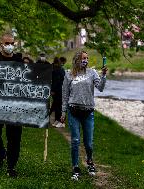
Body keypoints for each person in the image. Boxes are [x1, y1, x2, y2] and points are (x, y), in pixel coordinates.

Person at [60, 51, 107, 181]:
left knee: (89, 143)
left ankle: (90, 162)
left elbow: (101, 88)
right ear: (76, 60)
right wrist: (63, 112)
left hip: (88, 112)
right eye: (83, 58)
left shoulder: (92, 73)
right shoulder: (69, 74)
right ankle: (75, 167)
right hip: (73, 111)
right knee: (75, 141)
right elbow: (65, 95)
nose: (86, 60)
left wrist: (103, 76)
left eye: (87, 58)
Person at [0, 32, 23, 178]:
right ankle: (2, 153)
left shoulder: (20, 62)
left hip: (15, 107)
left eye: (12, 43)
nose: (10, 46)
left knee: (14, 137)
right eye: (7, 43)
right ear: (0, 44)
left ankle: (11, 166)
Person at [50, 57, 66, 127]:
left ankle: (60, 121)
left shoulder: (56, 70)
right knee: (57, 106)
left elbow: (56, 81)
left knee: (58, 106)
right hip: (61, 89)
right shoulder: (61, 69)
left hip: (58, 90)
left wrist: (53, 90)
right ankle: (57, 120)